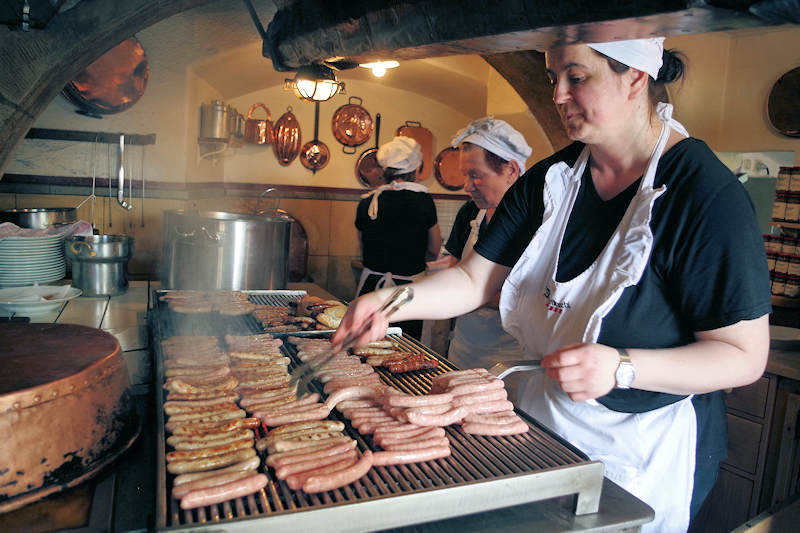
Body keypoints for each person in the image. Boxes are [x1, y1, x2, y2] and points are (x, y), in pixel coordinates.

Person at [335, 37, 771, 532]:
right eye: (552, 79)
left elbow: (743, 355)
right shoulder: (553, 179)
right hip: (541, 429)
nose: (559, 95)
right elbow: (474, 280)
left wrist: (622, 367)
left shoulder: (702, 195)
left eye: (577, 77)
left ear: (635, 77)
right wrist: (391, 302)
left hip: (639, 447)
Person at [445, 117, 530, 388]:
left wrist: (469, 294)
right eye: (465, 175)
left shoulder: (538, 221)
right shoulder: (470, 212)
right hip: (463, 350)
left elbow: (532, 299)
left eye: (476, 175)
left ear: (511, 170)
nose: (468, 185)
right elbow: (453, 272)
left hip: (512, 361)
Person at [354, 135, 442, 340]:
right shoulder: (423, 200)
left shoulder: (367, 202)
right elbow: (435, 248)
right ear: (415, 169)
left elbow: (361, 246)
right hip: (408, 296)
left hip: (371, 290)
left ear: (384, 171)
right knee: (406, 353)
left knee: (368, 349)